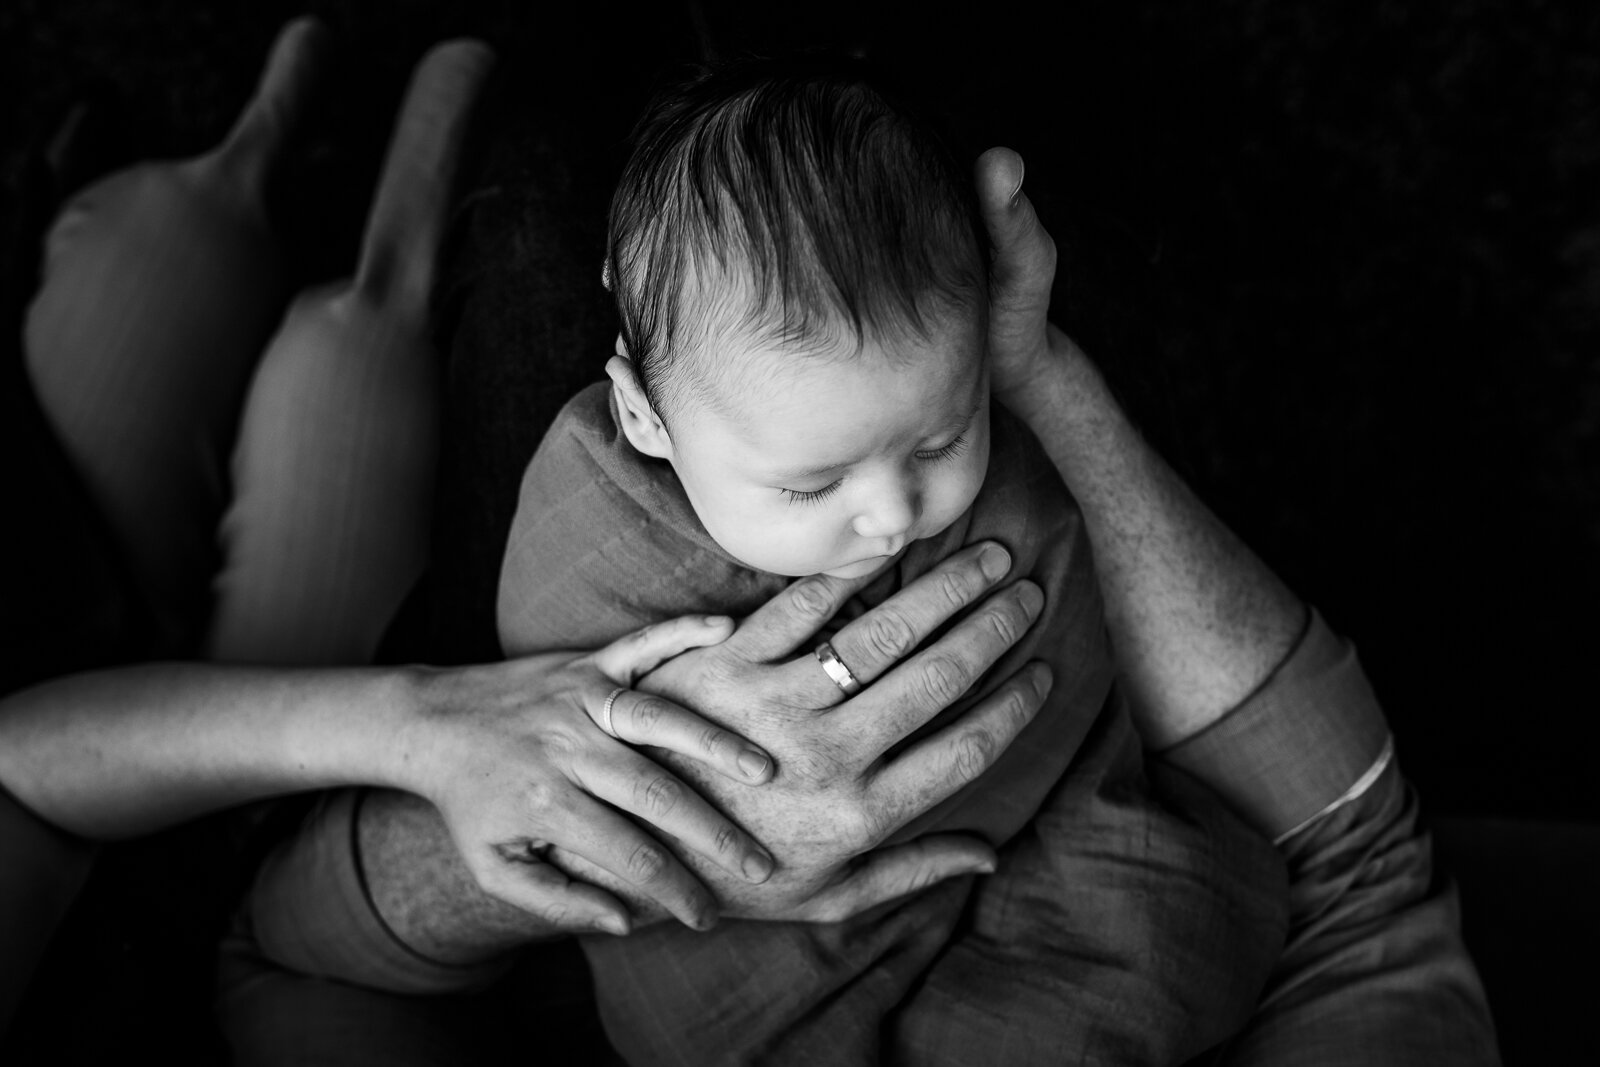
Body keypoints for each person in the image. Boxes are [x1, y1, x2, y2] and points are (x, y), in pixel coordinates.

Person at [0, 25, 1045, 1048]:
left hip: (74, 705)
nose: (893, 508)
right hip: (262, 919)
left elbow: (20, 753)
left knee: (174, 251)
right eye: (819, 480)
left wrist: (429, 716)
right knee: (347, 355)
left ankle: (288, 129)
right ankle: (396, 152)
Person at [491, 57, 1285, 1065]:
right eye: (809, 487)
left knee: (1172, 932)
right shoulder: (598, 518)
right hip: (767, 924)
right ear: (646, 418)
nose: (892, 512)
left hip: (1049, 816)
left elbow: (1073, 560)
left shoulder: (986, 423)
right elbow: (558, 720)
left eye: (942, 436)